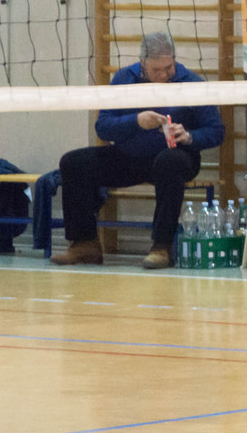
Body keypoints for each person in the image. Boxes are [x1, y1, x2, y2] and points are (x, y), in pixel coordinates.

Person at [52, 31, 223, 269]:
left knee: (169, 161)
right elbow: (103, 127)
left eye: (169, 67)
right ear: (142, 63)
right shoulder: (123, 79)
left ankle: (162, 246)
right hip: (130, 157)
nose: (164, 75)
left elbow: (216, 132)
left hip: (176, 157)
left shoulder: (192, 83)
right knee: (74, 162)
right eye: (157, 70)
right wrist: (136, 122)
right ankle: (84, 244)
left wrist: (190, 136)